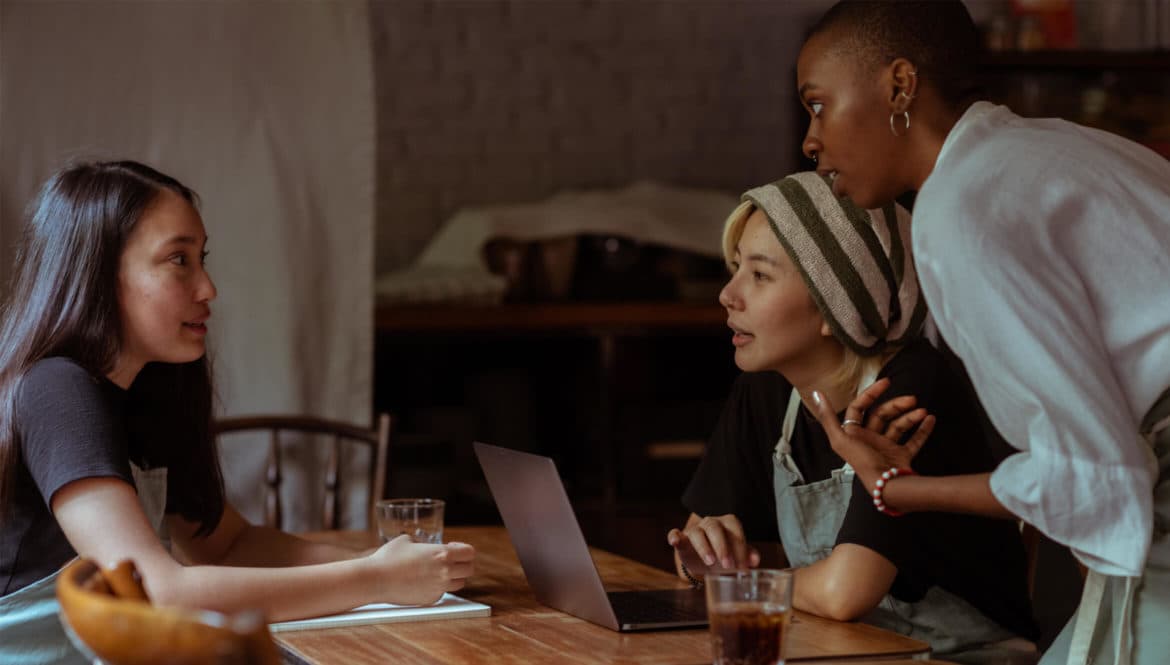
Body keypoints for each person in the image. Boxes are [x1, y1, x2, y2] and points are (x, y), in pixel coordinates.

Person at [792, 3, 1170, 665]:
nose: (809, 140)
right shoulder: (1053, 146)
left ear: (899, 86)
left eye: (818, 105)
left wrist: (894, 488)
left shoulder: (959, 210)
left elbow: (1095, 474)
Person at [0, 161, 476, 664]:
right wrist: (377, 579)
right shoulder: (56, 388)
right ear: (99, 273)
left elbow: (227, 544)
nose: (208, 288)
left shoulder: (145, 394)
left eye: (200, 259)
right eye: (178, 260)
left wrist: (387, 565)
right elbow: (158, 593)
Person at [667, 171, 1038, 663]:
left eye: (759, 275)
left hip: (965, 656)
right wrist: (700, 560)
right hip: (845, 651)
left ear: (834, 306)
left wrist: (734, 584)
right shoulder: (767, 386)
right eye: (735, 268)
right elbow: (699, 550)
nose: (727, 294)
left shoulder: (908, 386)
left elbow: (846, 592)